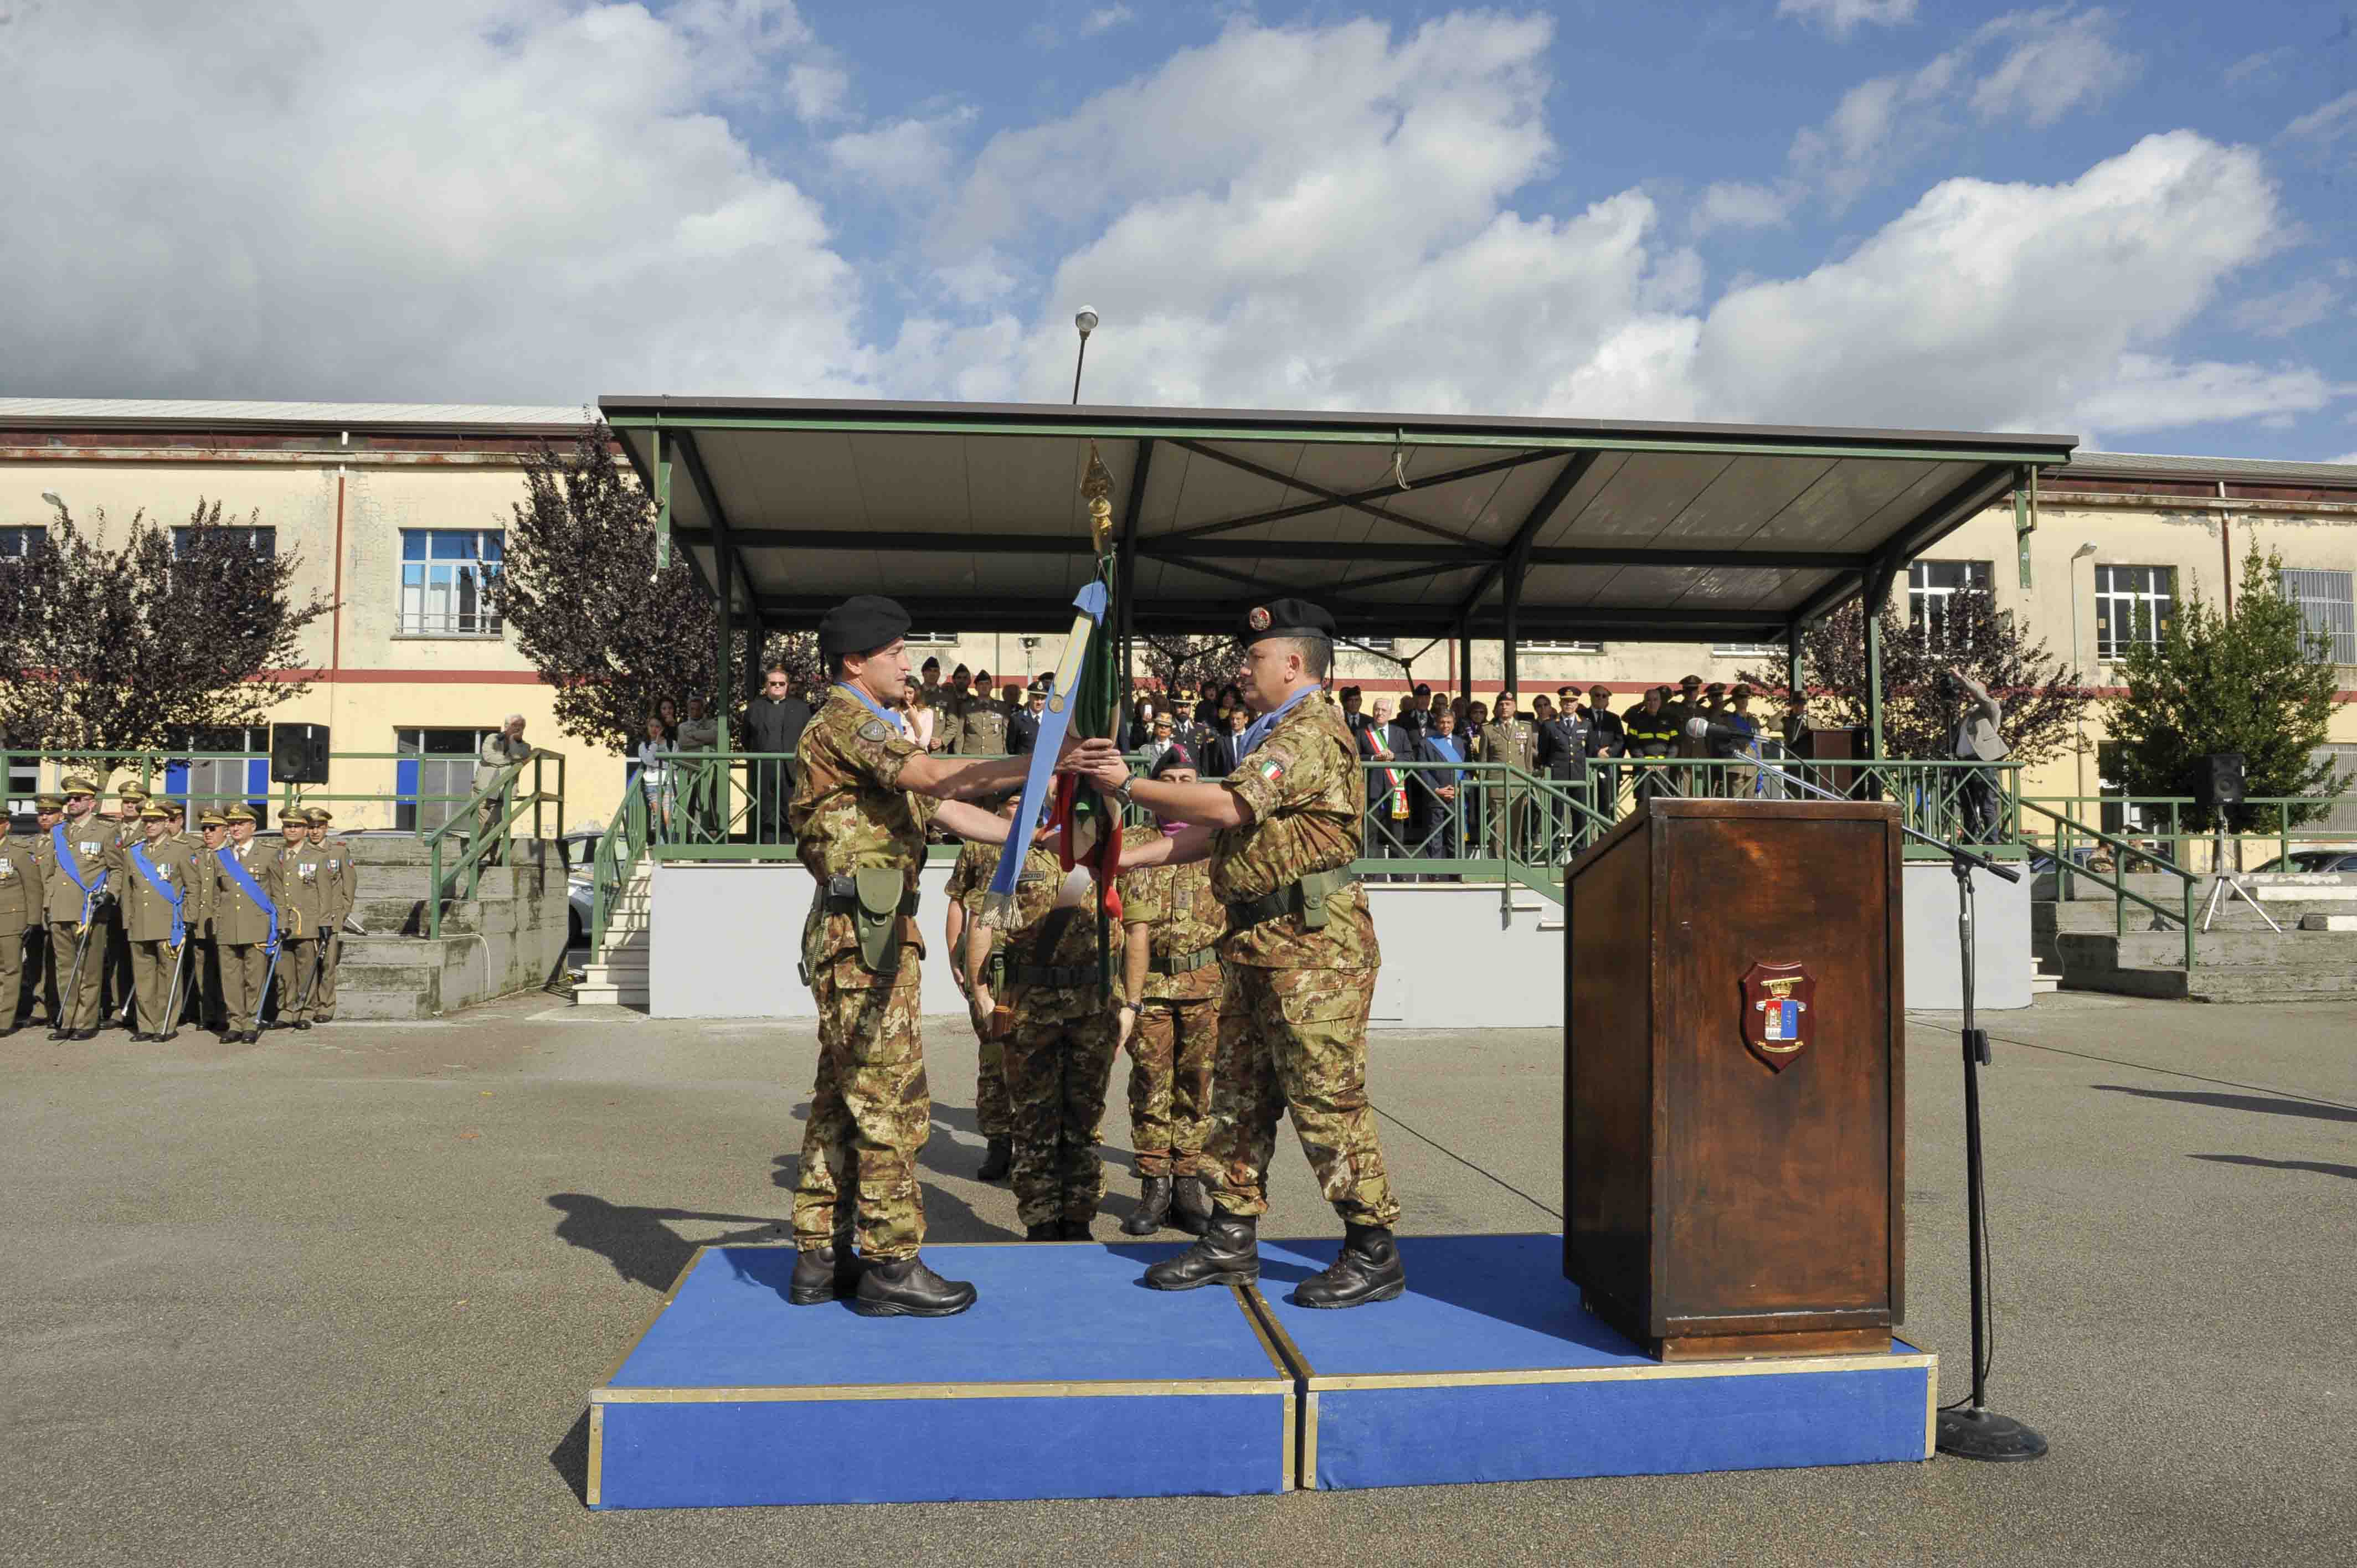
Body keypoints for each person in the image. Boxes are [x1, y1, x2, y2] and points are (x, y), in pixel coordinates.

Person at [1066, 597, 1404, 1309]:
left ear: (1293, 663)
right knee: (1237, 1097)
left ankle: (1372, 1249)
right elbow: (1214, 834)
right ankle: (1230, 1235)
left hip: (1314, 945)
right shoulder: (1269, 732)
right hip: (1256, 940)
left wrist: (1125, 785)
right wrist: (1130, 858)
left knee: (1324, 1097)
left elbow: (1227, 808)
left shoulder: (1311, 730)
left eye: (1254, 658)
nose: (1241, 669)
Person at [785, 594, 1060, 1319]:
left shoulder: (865, 727)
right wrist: (1040, 759)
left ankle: (822, 1256)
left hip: (862, 928)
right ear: (855, 662)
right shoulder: (848, 722)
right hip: (865, 937)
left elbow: (941, 809)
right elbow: (938, 780)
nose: (909, 663)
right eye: (895, 653)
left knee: (838, 1106)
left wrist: (1022, 836)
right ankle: (890, 1266)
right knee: (891, 1107)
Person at [1109, 746, 1224, 1237]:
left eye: (1188, 779)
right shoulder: (1130, 843)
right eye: (1169, 779)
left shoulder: (1217, 839)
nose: (1178, 788)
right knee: (1151, 1087)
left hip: (1206, 985)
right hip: (1148, 986)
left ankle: (1187, 1187)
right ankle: (1154, 1187)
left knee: (1197, 1088)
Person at [940, 792, 1022, 1184]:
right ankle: (999, 1142)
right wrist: (955, 956)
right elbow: (958, 899)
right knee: (994, 1056)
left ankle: (1030, 1145)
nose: (1019, 808)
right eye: (1012, 802)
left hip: (1032, 968)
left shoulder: (1046, 841)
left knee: (1030, 1059)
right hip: (989, 964)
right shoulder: (978, 845)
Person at [117, 802, 202, 1042]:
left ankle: (165, 1024)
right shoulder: (134, 852)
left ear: (167, 823)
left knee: (168, 976)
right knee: (143, 978)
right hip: (140, 923)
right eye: (146, 821)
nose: (150, 825)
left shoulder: (180, 850)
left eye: (155, 821)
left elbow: (193, 887)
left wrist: (189, 918)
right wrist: (128, 921)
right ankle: (146, 1025)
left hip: (169, 922)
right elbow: (127, 890)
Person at [42, 776, 114, 1040]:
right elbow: (49, 873)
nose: (71, 803)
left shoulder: (105, 832)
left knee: (89, 968)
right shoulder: (59, 832)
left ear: (92, 804)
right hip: (61, 908)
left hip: (89, 909)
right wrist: (48, 902)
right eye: (69, 799)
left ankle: (86, 1022)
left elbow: (116, 869)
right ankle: (68, 1018)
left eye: (77, 799)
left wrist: (110, 895)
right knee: (65, 969)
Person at [208, 805, 282, 1044]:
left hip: (257, 926)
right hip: (228, 926)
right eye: (232, 824)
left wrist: (283, 922)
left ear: (253, 827)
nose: (236, 828)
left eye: (241, 823)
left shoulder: (269, 854)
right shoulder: (221, 856)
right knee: (230, 979)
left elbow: (279, 893)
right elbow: (215, 895)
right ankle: (235, 1022)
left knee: (254, 977)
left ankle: (252, 1022)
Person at [274, 808, 331, 1030]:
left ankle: (306, 1010)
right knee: (284, 970)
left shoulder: (318, 857)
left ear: (306, 830)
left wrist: (325, 922)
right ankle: (287, 1010)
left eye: (297, 826)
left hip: (307, 921)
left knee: (306, 968)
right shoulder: (275, 855)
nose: (292, 830)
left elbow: (325, 893)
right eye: (288, 826)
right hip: (282, 921)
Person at [744, 666, 814, 844]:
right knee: (766, 808)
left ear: (787, 686)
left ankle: (787, 849)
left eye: (781, 684)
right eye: (773, 683)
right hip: (764, 767)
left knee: (788, 808)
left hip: (789, 767)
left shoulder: (802, 709)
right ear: (766, 686)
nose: (777, 687)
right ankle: (767, 849)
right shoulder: (754, 708)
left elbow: (809, 739)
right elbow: (746, 737)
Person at [16, 794, 64, 1032]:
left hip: (58, 907)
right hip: (34, 910)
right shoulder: (29, 844)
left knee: (58, 961)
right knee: (36, 960)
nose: (44, 816)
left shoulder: (66, 841)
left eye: (50, 813)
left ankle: (57, 1008)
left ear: (60, 815)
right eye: (41, 813)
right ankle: (38, 1006)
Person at [0, 804, 47, 1038]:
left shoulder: (18, 852)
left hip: (11, 919)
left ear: (6, 825)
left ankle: (4, 1020)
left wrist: (33, 920)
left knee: (10, 970)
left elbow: (33, 888)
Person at [1949, 667, 2008, 842]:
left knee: (1986, 803)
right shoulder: (1969, 713)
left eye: (1973, 690)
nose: (1968, 693)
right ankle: (1970, 839)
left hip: (1982, 762)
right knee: (1967, 804)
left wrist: (1961, 678)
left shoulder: (1991, 708)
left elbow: (1980, 696)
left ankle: (1992, 839)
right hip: (1964, 763)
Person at [305, 807, 352, 1022]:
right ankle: (308, 1004)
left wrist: (343, 912)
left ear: (326, 828)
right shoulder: (301, 852)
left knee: (328, 963)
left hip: (331, 915)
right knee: (307, 963)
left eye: (319, 827)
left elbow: (349, 884)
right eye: (312, 827)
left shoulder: (339, 852)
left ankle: (326, 1005)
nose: (315, 832)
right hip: (306, 915)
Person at [472, 715, 534, 865]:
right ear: (506, 726)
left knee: (496, 825)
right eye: (515, 726)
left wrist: (513, 741)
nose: (519, 729)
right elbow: (489, 757)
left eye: (521, 727)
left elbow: (518, 754)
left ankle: (474, 854)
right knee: (484, 824)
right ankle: (483, 856)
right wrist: (511, 761)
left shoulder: (525, 747)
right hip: (484, 790)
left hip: (504, 793)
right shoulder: (492, 739)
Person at [1412, 707, 1466, 873]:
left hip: (1457, 795)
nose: (1445, 726)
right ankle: (1433, 874)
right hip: (1436, 796)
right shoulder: (1426, 742)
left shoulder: (1461, 743)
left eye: (1449, 722)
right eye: (1442, 722)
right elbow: (1422, 770)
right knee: (1434, 836)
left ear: (1454, 724)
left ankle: (1455, 873)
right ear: (1436, 724)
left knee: (1455, 837)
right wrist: (1437, 789)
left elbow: (1469, 770)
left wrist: (1459, 789)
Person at [1622, 686, 1681, 807]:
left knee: (1663, 803)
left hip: (1663, 768)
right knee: (1643, 803)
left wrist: (1667, 762)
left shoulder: (1670, 720)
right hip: (1642, 768)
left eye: (1656, 700)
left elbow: (1675, 744)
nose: (1652, 703)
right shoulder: (1636, 719)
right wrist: (1643, 762)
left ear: (1660, 702)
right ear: (1644, 702)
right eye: (1649, 700)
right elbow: (1632, 743)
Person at [634, 714, 675, 837]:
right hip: (652, 784)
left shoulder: (671, 744)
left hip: (668, 783)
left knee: (667, 817)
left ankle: (669, 844)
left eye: (657, 727)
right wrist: (655, 744)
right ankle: (663, 845)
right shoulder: (643, 746)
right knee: (659, 817)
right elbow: (649, 761)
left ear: (662, 729)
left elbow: (675, 763)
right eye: (651, 726)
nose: (654, 729)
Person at [956, 673, 1011, 757]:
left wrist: (1006, 756)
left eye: (987, 684)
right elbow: (960, 734)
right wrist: (958, 756)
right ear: (976, 688)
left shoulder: (1002, 707)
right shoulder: (966, 707)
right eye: (981, 684)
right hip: (971, 756)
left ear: (991, 687)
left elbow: (1006, 734)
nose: (984, 687)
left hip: (995, 756)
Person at [1008, 682, 1046, 756]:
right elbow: (1011, 748)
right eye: (1036, 698)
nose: (1039, 702)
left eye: (1043, 699)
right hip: (1024, 765)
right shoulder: (1017, 719)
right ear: (1029, 697)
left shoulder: (1051, 720)